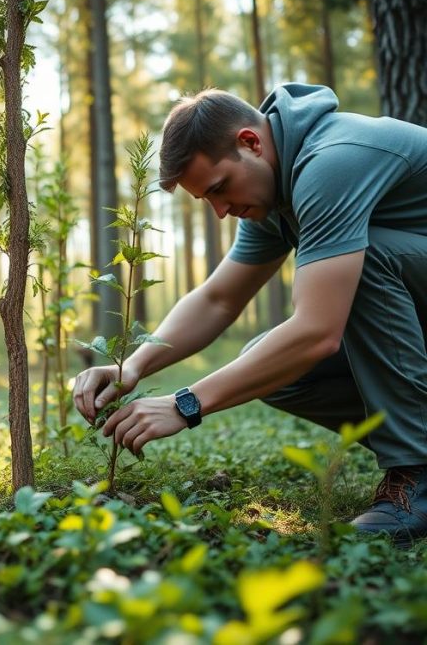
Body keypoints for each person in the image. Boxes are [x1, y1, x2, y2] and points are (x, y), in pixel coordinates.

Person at [73, 83, 427, 544]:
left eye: (220, 189)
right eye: (208, 201)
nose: (222, 212)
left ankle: (417, 471)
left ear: (251, 143)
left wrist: (187, 404)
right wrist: (133, 365)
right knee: (273, 363)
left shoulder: (331, 162)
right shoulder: (274, 192)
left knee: (363, 264)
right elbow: (219, 298)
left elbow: (318, 332)